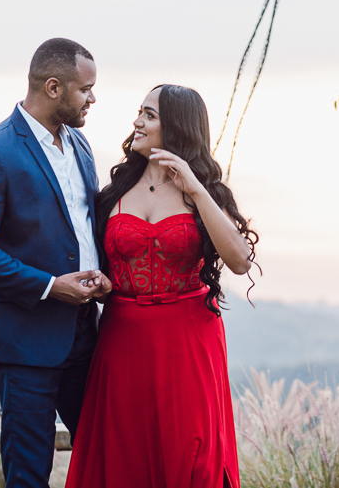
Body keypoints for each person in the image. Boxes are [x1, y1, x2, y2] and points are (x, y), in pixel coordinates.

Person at [66, 84, 257, 488]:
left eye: (149, 115)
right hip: (123, 341)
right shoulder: (113, 195)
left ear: (177, 128)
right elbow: (99, 265)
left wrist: (194, 187)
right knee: (125, 458)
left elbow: (240, 261)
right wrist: (100, 283)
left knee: (193, 456)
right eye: (140, 112)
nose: (137, 122)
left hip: (188, 343)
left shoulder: (202, 194)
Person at [0, 38, 113, 488]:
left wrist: (101, 273)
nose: (93, 99)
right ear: (55, 87)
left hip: (84, 332)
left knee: (106, 457)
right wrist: (49, 285)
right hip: (23, 342)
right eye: (86, 89)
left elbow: (82, 228)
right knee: (28, 473)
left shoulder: (80, 146)